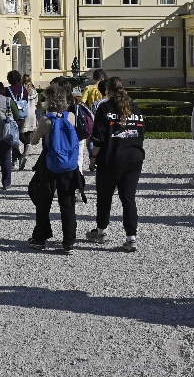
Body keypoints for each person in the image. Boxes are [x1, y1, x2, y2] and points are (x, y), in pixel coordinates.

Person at [85, 77, 146, 252]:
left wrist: (93, 157)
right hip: (133, 158)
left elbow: (98, 137)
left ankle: (101, 231)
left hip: (111, 157)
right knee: (128, 198)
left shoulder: (105, 108)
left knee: (105, 196)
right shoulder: (135, 108)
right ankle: (131, 237)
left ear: (107, 91)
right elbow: (141, 132)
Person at [26, 83, 84, 253]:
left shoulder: (47, 120)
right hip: (69, 166)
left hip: (50, 165)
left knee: (43, 202)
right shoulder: (71, 116)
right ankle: (69, 242)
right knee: (68, 203)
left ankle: (40, 238)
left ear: (49, 100)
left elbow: (34, 142)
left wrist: (39, 128)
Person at [6, 70, 36, 171]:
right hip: (22, 115)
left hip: (11, 115)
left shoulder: (7, 90)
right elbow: (26, 101)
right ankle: (26, 145)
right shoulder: (24, 90)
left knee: (12, 138)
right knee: (18, 134)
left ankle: (15, 160)